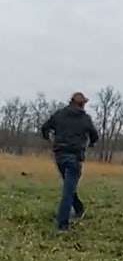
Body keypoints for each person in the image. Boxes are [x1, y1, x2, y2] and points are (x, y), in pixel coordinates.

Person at [40, 92, 99, 231]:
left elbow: (45, 127)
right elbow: (95, 136)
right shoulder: (85, 119)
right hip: (74, 157)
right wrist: (90, 144)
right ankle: (62, 224)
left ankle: (78, 208)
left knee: (68, 185)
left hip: (59, 156)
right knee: (68, 190)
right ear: (82, 104)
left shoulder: (59, 114)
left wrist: (48, 138)